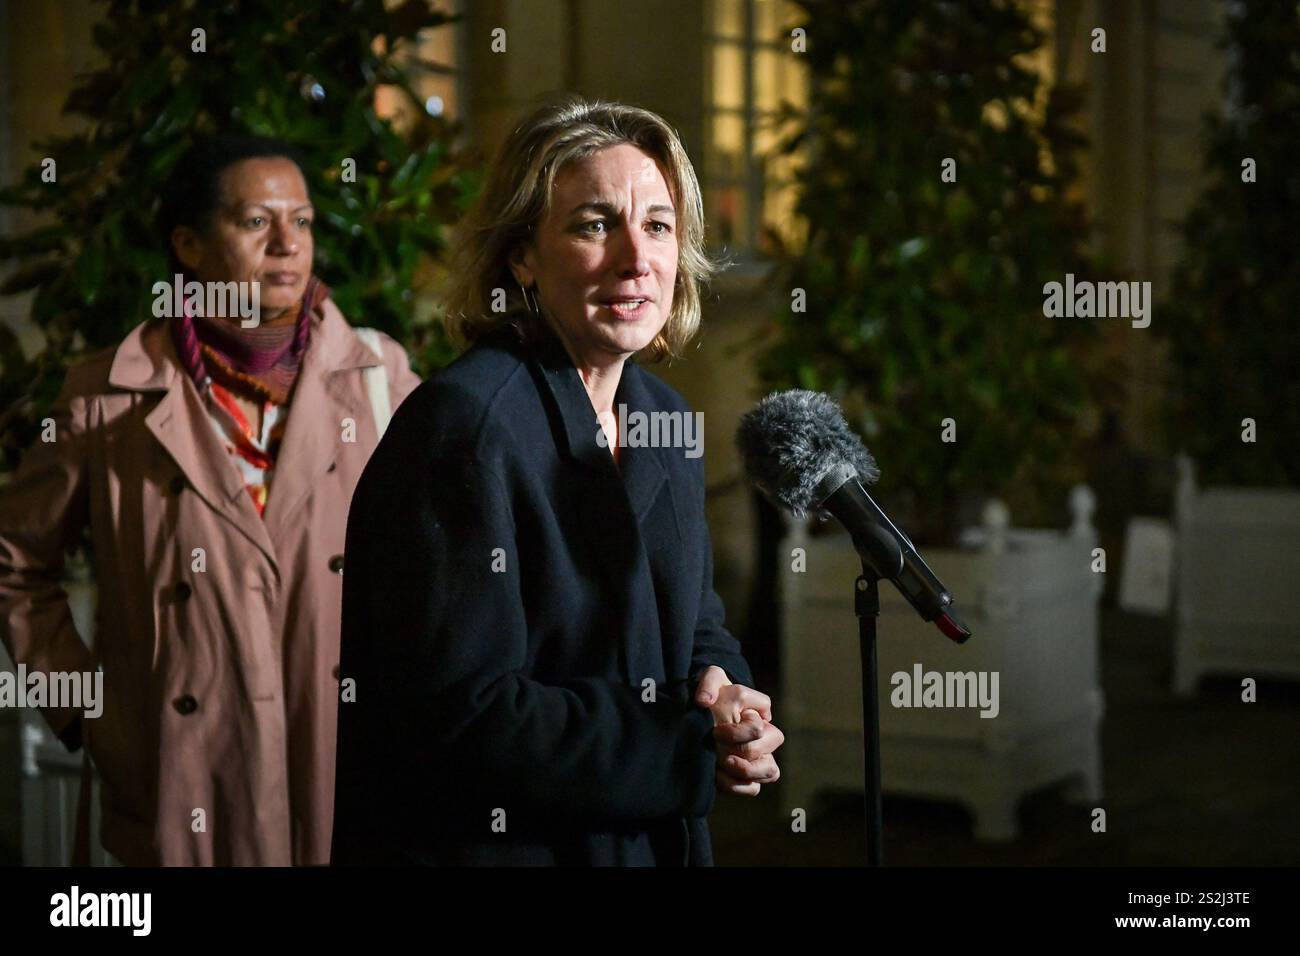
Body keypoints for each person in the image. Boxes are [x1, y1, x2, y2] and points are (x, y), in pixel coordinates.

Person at [331, 96, 784, 866]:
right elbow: (463, 717)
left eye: (659, 226)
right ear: (522, 257)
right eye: (594, 224)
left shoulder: (663, 417)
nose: (636, 259)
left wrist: (732, 700)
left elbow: (696, 624)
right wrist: (684, 747)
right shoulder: (465, 429)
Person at [0, 136, 422, 865]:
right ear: (189, 245)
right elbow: (14, 562)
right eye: (257, 222)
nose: (289, 244)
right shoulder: (108, 396)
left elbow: (443, 563)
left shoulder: (380, 381)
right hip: (180, 779)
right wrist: (89, 712)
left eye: (305, 220)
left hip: (344, 767)